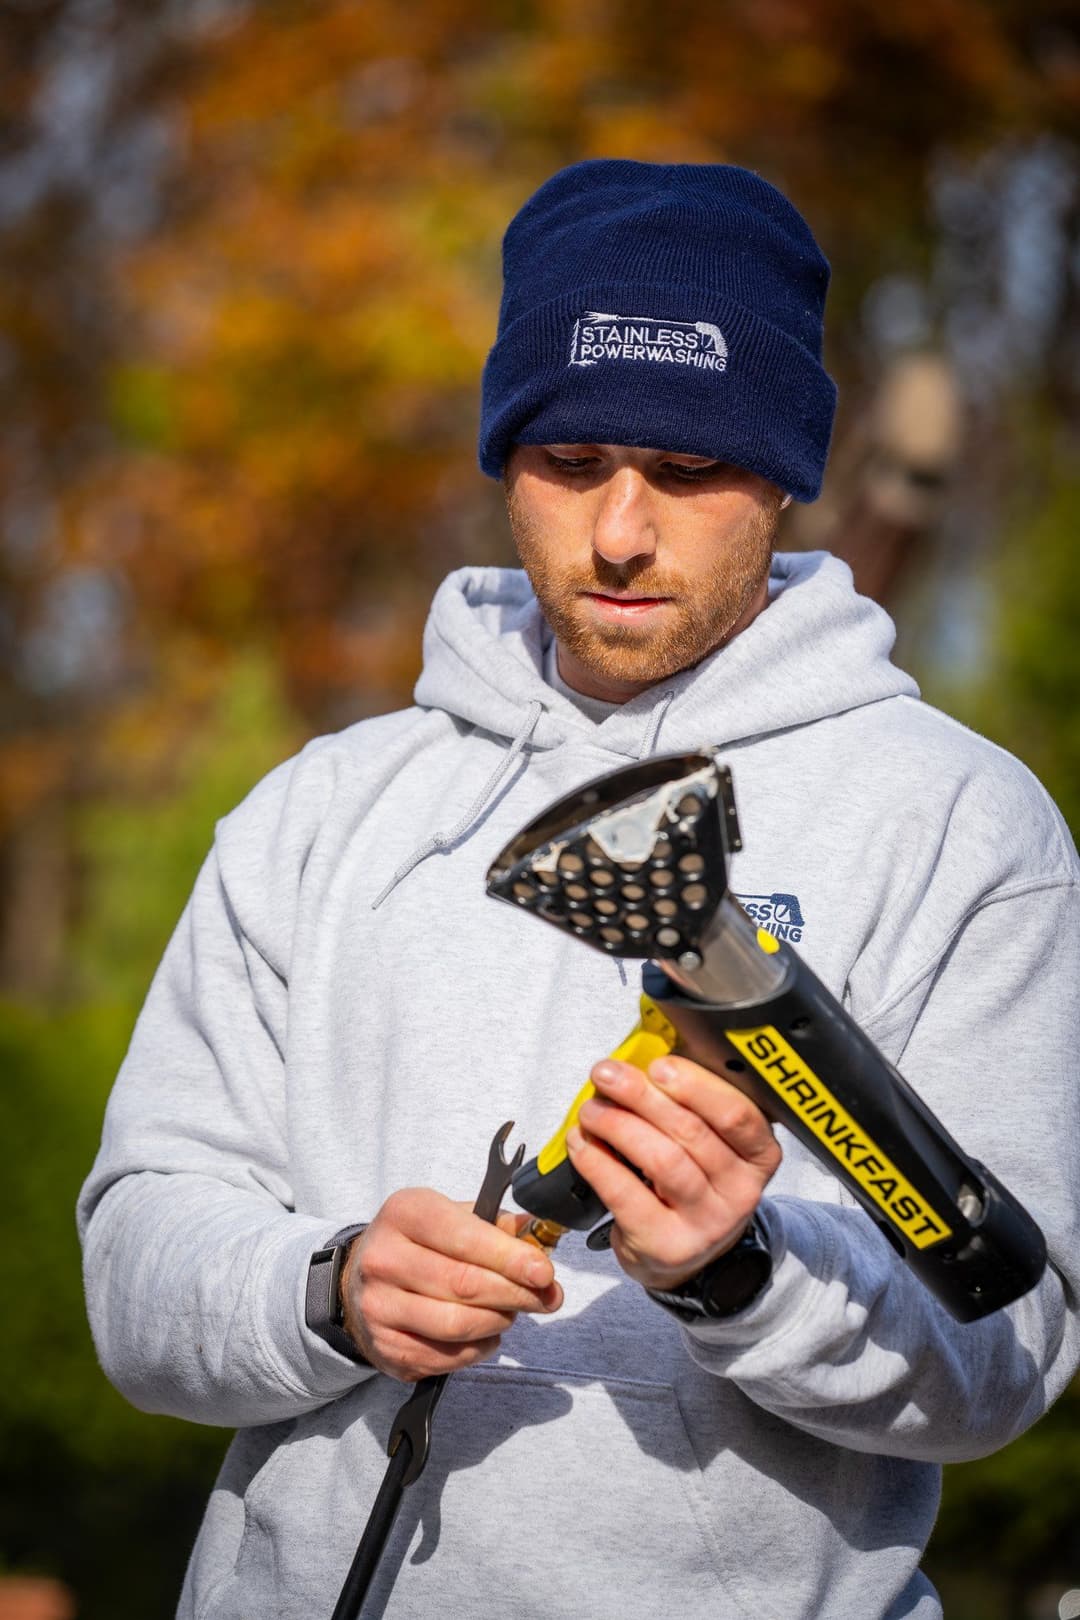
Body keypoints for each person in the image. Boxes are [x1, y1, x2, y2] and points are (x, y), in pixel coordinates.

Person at [78, 159, 1080, 1620]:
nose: (619, 532)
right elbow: (136, 1260)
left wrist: (742, 1274)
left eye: (685, 473)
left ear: (786, 475)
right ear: (506, 457)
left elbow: (1008, 1350)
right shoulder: (327, 812)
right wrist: (329, 1286)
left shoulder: (957, 826)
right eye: (571, 462)